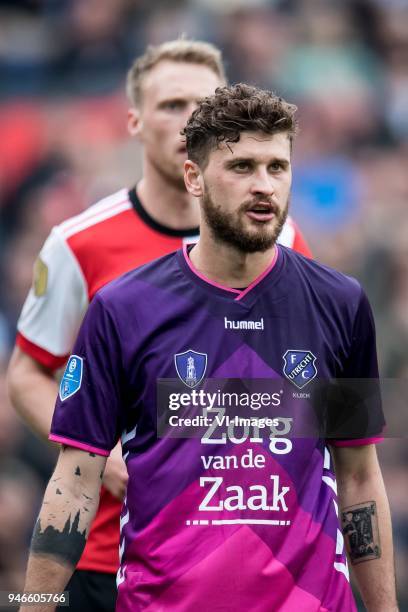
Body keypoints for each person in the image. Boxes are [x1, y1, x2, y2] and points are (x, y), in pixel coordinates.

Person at [21, 84, 397, 612]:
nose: (264, 185)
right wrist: (31, 604)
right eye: (242, 167)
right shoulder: (122, 309)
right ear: (194, 178)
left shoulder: (341, 303)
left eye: (277, 167)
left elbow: (359, 476)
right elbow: (75, 483)